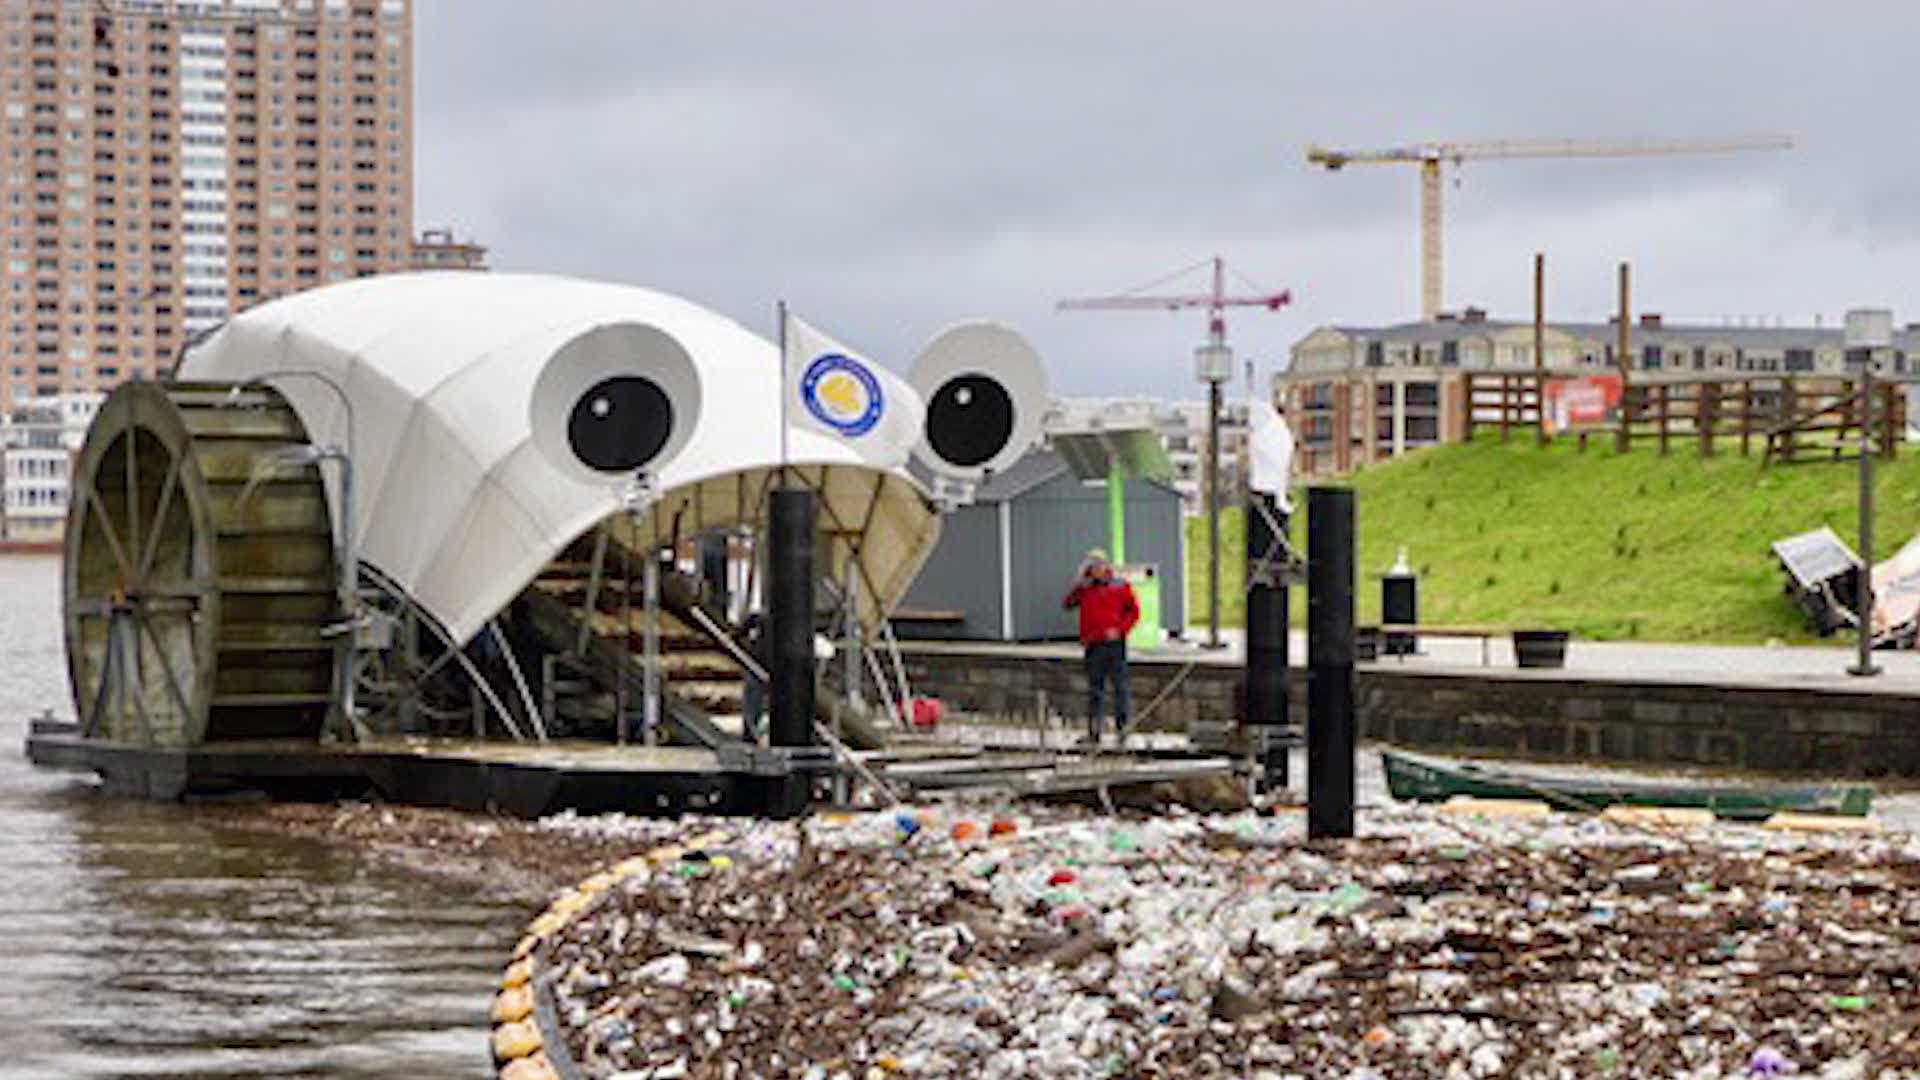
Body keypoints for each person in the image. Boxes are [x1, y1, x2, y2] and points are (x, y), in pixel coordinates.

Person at [1062, 548, 1140, 746]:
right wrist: (1078, 583)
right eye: (1092, 566)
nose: (1096, 569)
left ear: (1106, 566)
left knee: (1120, 687)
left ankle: (1122, 730)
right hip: (1093, 644)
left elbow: (1134, 612)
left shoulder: (1120, 586)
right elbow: (1068, 604)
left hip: (1114, 644)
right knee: (1095, 690)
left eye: (1099, 565)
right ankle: (1094, 732)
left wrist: (1121, 630)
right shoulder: (1085, 588)